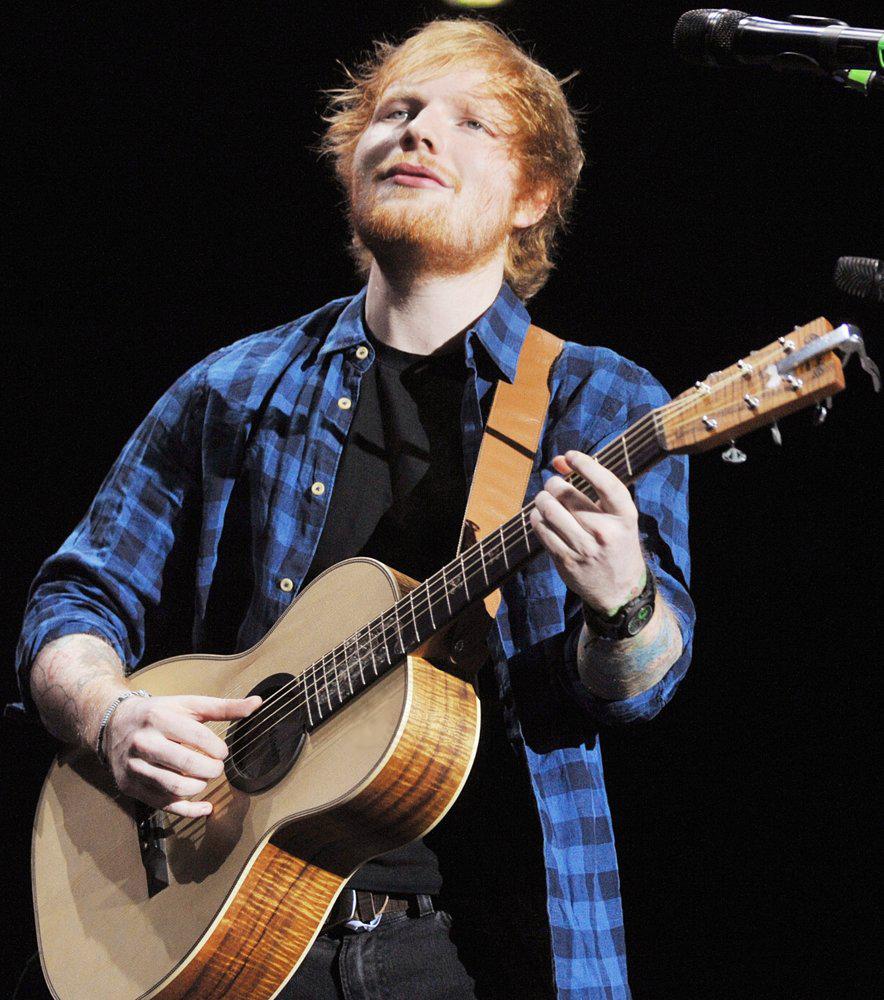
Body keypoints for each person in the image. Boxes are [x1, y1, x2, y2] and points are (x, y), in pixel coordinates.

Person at [16, 18, 693, 1000]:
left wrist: (621, 599)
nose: (418, 134)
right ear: (350, 164)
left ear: (532, 197)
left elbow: (633, 686)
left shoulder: (597, 404)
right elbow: (73, 600)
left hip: (462, 943)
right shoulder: (233, 389)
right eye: (396, 113)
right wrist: (112, 715)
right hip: (208, 913)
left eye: (469, 123)